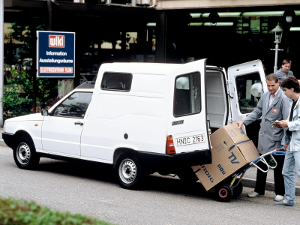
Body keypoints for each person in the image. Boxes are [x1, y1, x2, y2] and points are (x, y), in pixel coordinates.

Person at [235, 73, 290, 201]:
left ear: (278, 83)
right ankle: (259, 190)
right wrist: (244, 121)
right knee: (261, 163)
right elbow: (257, 112)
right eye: (268, 85)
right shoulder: (265, 95)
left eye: (272, 85)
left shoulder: (283, 98)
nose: (270, 88)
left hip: (276, 137)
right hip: (264, 135)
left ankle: (280, 192)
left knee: (278, 166)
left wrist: (286, 140)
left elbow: (287, 121)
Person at [273, 76, 300, 206]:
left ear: (292, 89)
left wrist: (287, 124)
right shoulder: (291, 102)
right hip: (291, 142)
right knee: (286, 171)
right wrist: (285, 139)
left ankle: (289, 199)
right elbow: (290, 123)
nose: (284, 93)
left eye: (285, 90)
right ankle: (289, 199)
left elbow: (296, 123)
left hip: (299, 144)